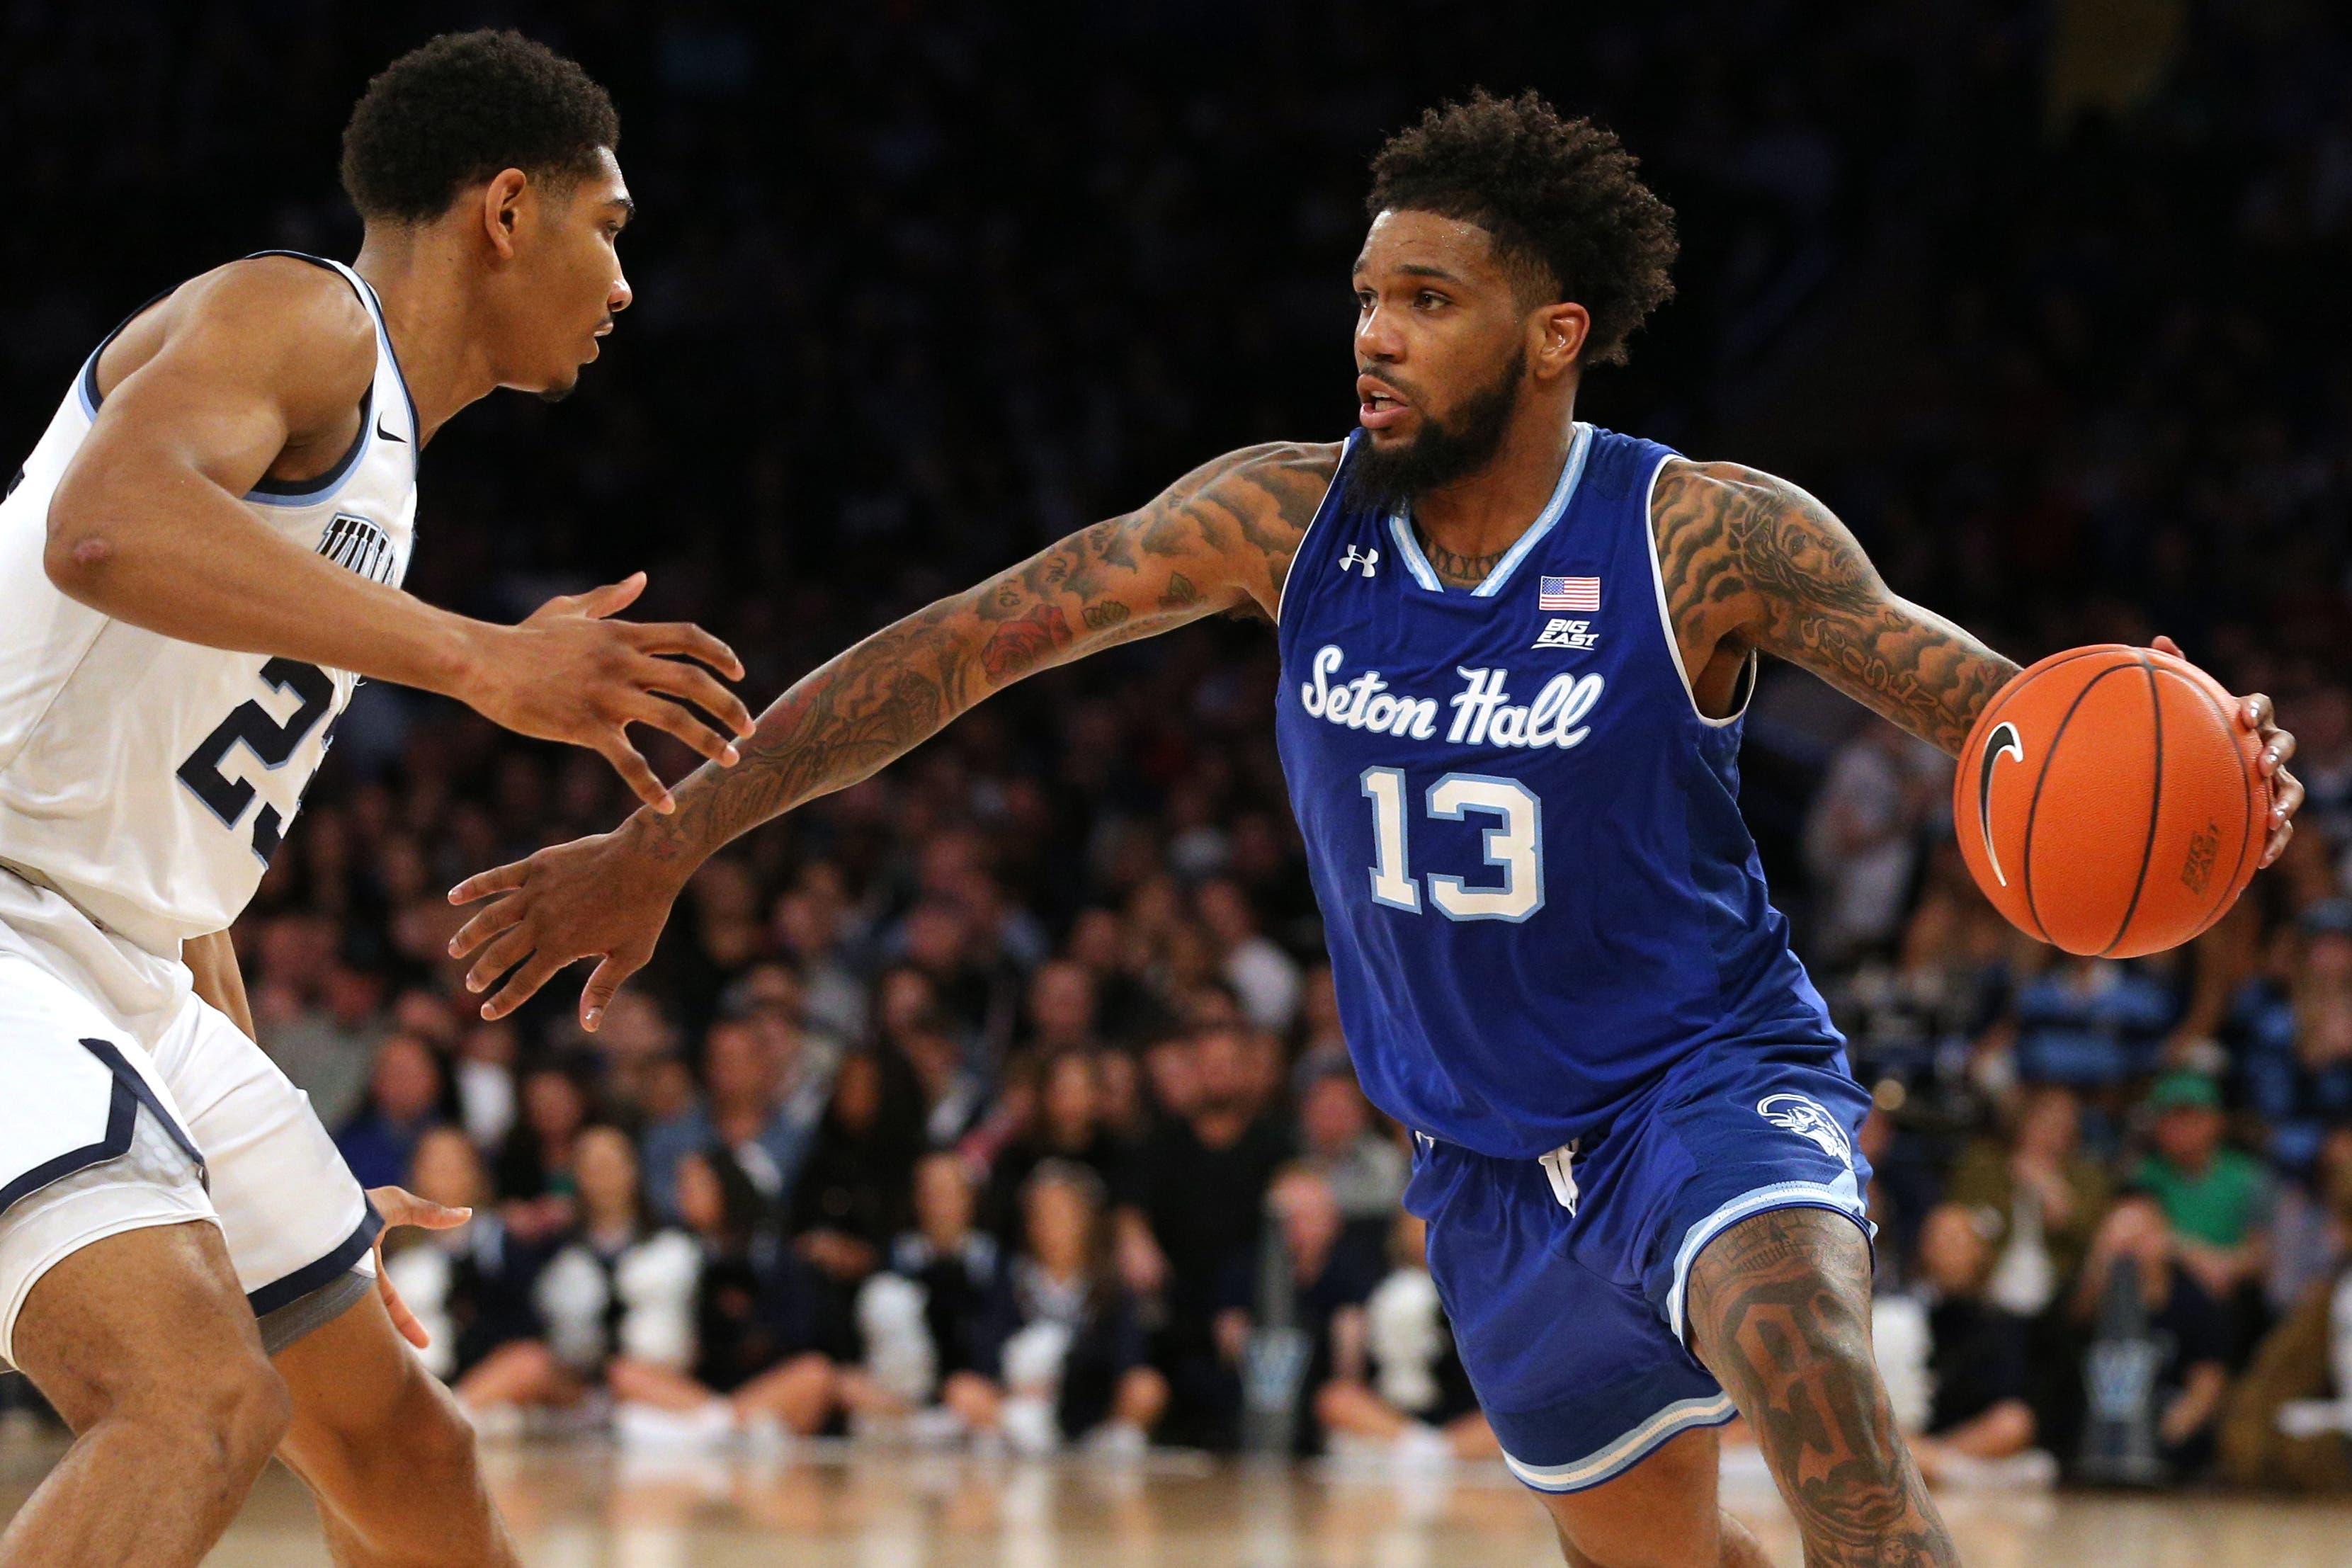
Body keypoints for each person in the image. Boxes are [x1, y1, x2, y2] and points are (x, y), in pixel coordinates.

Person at [452, 90, 2306, 1564]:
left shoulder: (1703, 535)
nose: (1374, 333)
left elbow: (1986, 709)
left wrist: (2188, 762)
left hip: (1702, 1086)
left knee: (1834, 1430)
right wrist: (677, 833)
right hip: (1480, 1159)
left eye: (1427, 298)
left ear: (1553, 333)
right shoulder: (1275, 520)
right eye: (1365, 293)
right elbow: (958, 651)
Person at [0, 29, 755, 1568]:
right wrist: (483, 663)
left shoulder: (382, 480)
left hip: (125, 964)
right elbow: (101, 529)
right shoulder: (298, 317)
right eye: (607, 231)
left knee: (407, 1448)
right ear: (504, 209)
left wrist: (241, 1131)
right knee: (192, 1406)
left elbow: (165, 841)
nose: (622, 287)